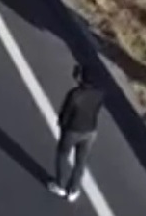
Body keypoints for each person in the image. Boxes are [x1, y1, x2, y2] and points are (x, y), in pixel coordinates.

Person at [49, 64, 104, 202]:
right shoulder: (99, 94)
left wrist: (61, 125)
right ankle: (73, 189)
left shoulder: (74, 94)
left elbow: (65, 115)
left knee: (62, 155)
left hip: (72, 131)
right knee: (81, 162)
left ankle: (60, 185)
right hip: (90, 131)